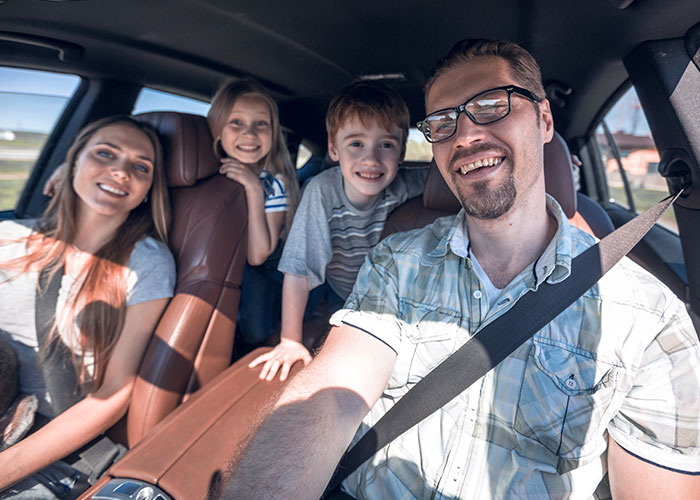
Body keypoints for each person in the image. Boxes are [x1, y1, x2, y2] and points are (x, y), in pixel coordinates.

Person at [223, 39, 700, 499]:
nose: (467, 136)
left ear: (544, 119)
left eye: (492, 105)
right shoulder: (395, 262)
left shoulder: (651, 318)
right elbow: (332, 396)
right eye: (443, 123)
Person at [0, 116, 176, 498]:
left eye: (140, 166)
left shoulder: (147, 262)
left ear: (148, 189)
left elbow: (114, 392)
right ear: (72, 162)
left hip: (45, 452)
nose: (120, 171)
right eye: (105, 154)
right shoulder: (9, 236)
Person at [248, 80, 427, 382]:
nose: (371, 159)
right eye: (356, 144)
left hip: (382, 296)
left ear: (401, 153)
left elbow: (450, 180)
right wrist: (290, 341)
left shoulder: (410, 183)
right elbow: (300, 270)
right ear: (333, 148)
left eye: (386, 145)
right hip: (338, 288)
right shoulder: (322, 191)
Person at [207, 79, 299, 347]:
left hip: (265, 265)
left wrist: (254, 189)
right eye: (236, 122)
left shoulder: (274, 182)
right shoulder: (204, 175)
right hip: (225, 259)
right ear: (217, 127)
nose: (249, 133)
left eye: (261, 124)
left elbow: (258, 255)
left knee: (256, 332)